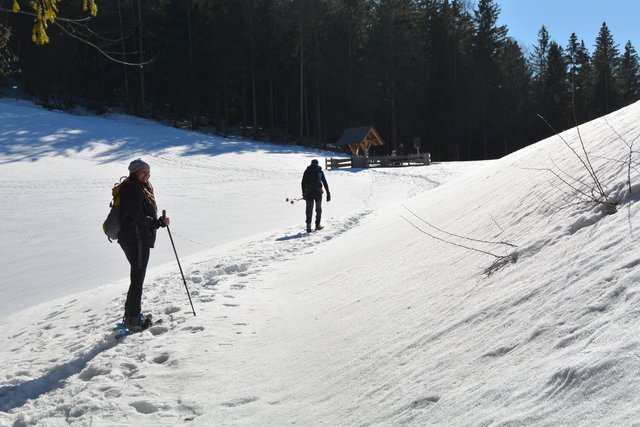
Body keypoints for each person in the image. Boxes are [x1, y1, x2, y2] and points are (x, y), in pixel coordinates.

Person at [117, 159, 170, 329]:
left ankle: (130, 315)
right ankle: (133, 319)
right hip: (136, 238)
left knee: (137, 276)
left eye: (148, 172)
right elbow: (138, 216)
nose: (147, 175)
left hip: (133, 237)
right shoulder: (133, 188)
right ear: (135, 172)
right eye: (143, 172)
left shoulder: (136, 186)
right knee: (138, 278)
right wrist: (158, 223)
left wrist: (157, 222)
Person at [301, 159, 330, 232]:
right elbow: (324, 182)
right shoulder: (319, 171)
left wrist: (304, 193)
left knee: (309, 210)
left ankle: (308, 226)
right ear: (317, 164)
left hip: (309, 193)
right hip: (318, 193)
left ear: (311, 164)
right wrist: (328, 193)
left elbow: (303, 183)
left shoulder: (307, 171)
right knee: (318, 209)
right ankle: (317, 225)